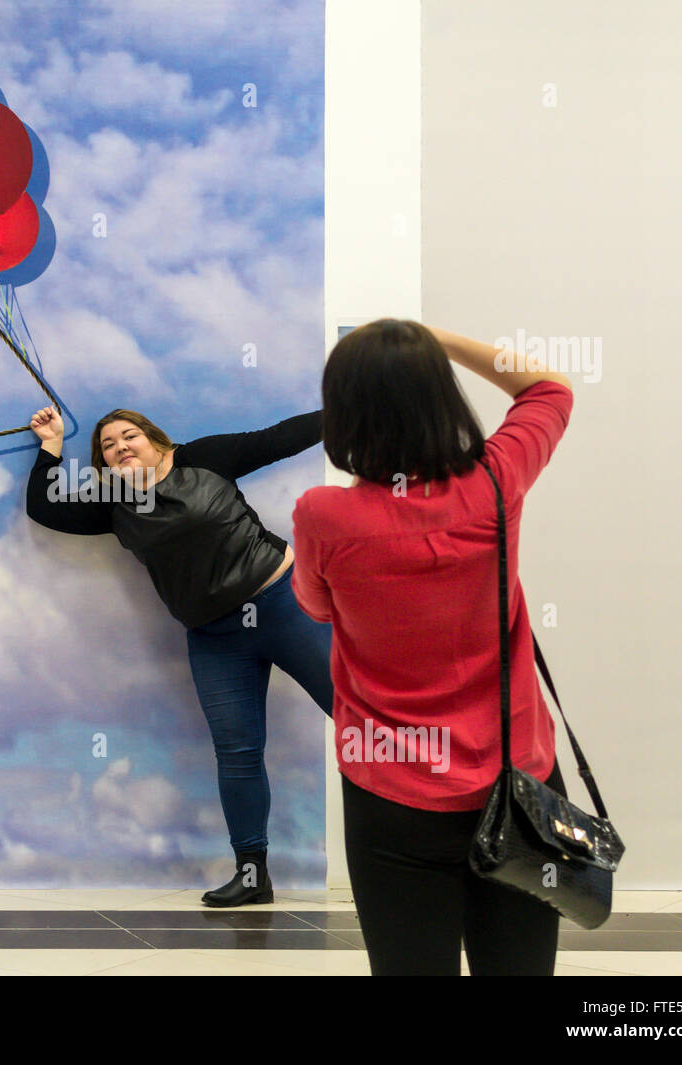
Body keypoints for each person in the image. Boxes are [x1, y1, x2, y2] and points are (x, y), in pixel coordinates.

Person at [290, 319, 575, 975]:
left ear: (346, 412)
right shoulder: (496, 483)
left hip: (392, 790)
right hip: (518, 780)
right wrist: (435, 340)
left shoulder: (323, 515)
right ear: (441, 396)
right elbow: (549, 387)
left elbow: (315, 605)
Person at [26, 402, 333, 906]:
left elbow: (279, 437)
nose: (120, 446)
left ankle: (443, 831)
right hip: (215, 637)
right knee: (237, 753)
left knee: (360, 716)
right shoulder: (112, 502)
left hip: (283, 603)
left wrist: (350, 402)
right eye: (107, 445)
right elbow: (44, 507)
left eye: (130, 436)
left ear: (156, 440)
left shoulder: (206, 458)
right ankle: (253, 877)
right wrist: (52, 446)